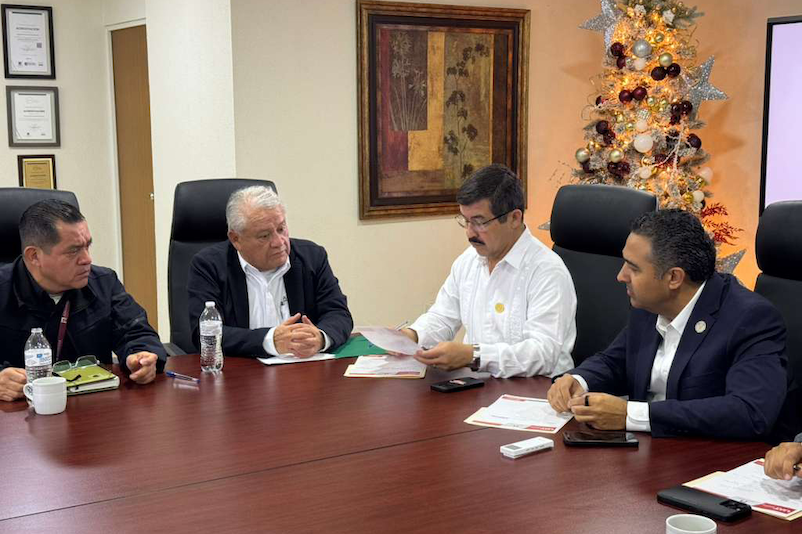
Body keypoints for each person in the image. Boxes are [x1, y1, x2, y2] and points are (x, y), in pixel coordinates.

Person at [547, 209, 788, 439]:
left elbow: (750, 412)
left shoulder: (750, 318)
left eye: (633, 268)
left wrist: (630, 415)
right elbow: (615, 362)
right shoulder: (649, 304)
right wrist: (578, 380)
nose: (621, 276)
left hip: (710, 458)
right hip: (647, 451)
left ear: (674, 278)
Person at [398, 164, 577, 378]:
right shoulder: (468, 261)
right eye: (465, 221)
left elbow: (542, 354)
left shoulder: (547, 271)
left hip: (537, 389)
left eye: (479, 222)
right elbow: (443, 317)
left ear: (514, 218)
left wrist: (473, 356)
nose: (469, 233)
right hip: (480, 384)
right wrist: (412, 335)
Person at [0, 200, 165, 402]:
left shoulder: (104, 282)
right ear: (34, 256)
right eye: (73, 251)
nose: (87, 259)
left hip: (92, 407)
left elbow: (136, 332)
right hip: (20, 412)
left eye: (87, 246)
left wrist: (141, 356)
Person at [187, 185, 353, 358]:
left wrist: (320, 338)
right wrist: (270, 341)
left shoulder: (312, 257)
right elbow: (204, 333)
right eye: (264, 236)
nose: (279, 242)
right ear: (236, 239)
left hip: (304, 366)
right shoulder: (209, 266)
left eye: (281, 229)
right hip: (242, 369)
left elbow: (338, 313)